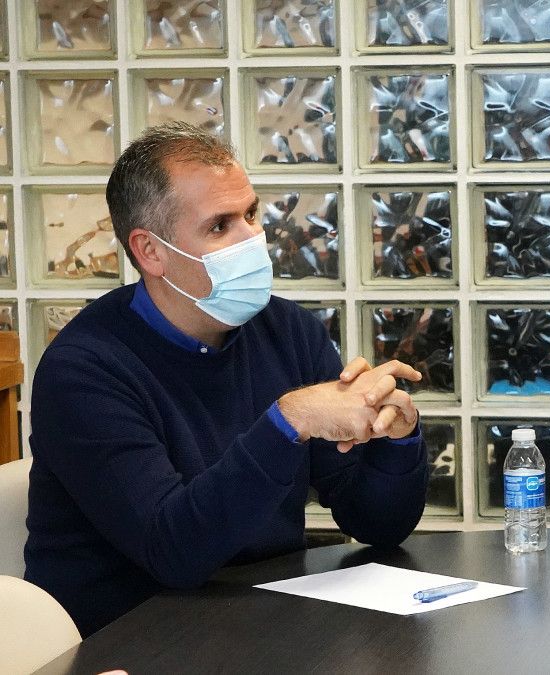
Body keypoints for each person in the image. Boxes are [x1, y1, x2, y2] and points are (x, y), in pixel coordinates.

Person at [24, 122, 430, 637]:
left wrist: (395, 436)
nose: (254, 239)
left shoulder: (286, 330)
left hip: (265, 630)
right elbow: (173, 551)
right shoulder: (84, 371)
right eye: (220, 226)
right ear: (150, 251)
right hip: (127, 645)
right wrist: (291, 419)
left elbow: (378, 525)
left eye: (251, 214)